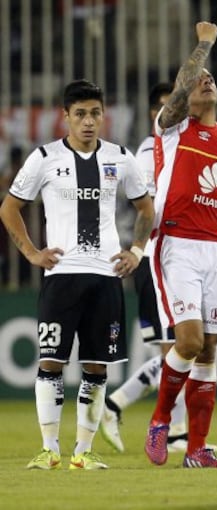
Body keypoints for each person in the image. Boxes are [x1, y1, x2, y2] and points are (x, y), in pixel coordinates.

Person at [0, 79, 154, 470]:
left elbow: (147, 209)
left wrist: (136, 251)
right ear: (65, 116)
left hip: (105, 277)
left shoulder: (120, 157)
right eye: (81, 114)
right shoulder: (44, 157)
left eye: (95, 113)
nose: (89, 122)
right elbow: (9, 208)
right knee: (51, 361)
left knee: (96, 367)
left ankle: (82, 452)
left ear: (104, 116)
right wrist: (33, 253)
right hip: (62, 277)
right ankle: (49, 448)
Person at [100, 82, 217, 454]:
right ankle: (157, 422)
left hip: (181, 252)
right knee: (179, 346)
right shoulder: (151, 148)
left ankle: (133, 411)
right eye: (170, 107)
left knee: (182, 347)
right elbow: (147, 206)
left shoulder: (194, 140)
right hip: (155, 255)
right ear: (159, 111)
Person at [144, 21, 217, 469]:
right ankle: (161, 419)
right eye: (200, 80)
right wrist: (205, 45)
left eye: (212, 80)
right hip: (178, 242)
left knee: (209, 349)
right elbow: (183, 89)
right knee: (188, 338)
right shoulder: (171, 128)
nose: (207, 82)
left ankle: (198, 449)